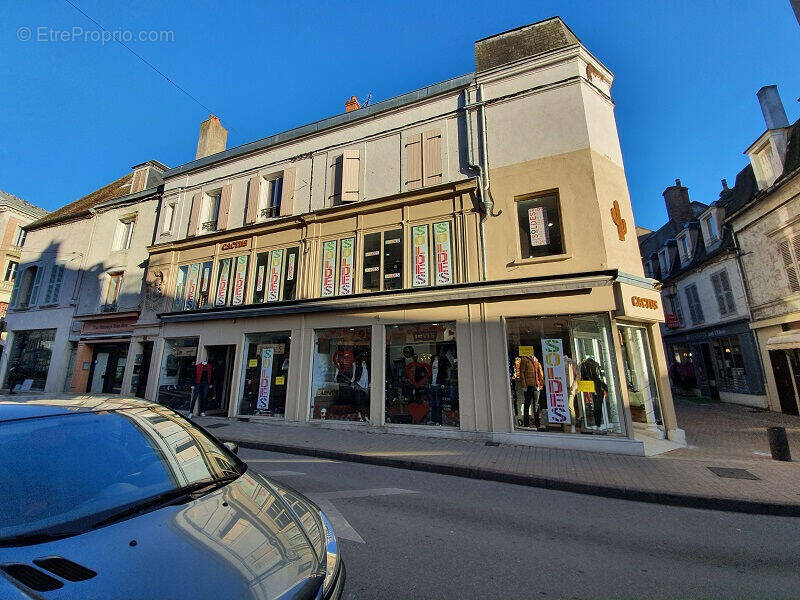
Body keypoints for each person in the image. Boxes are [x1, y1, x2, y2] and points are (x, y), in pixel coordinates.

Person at [518, 353, 544, 428]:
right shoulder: (524, 359)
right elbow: (522, 372)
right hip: (528, 385)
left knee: (536, 404)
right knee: (527, 403)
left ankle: (537, 423)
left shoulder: (536, 360)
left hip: (536, 384)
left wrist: (540, 384)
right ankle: (526, 423)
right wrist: (524, 385)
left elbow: (539, 372)